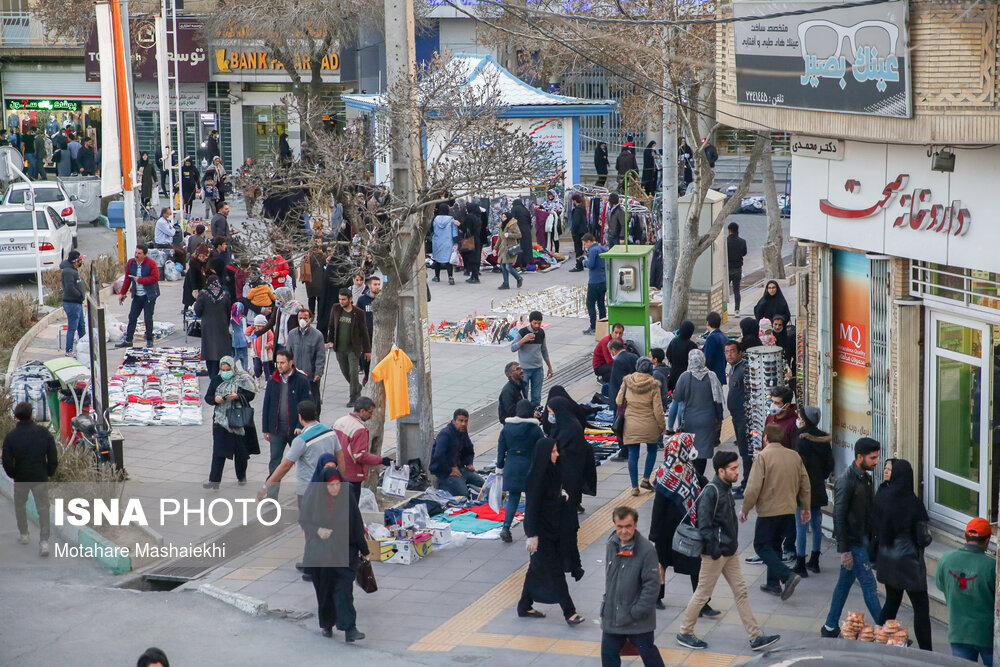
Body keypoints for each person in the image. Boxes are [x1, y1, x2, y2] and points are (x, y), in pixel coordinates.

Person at [676, 451, 780, 653]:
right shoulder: (712, 491)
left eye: (736, 467)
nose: (737, 472)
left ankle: (756, 636)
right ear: (720, 470)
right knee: (702, 594)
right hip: (716, 553)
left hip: (729, 552)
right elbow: (704, 525)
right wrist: (715, 550)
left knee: (740, 592)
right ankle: (685, 632)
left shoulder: (725, 489)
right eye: (732, 468)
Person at [647, 433, 719, 616]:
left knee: (696, 565)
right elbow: (658, 507)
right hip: (666, 530)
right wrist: (654, 534)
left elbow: (703, 485)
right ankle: (656, 597)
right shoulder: (664, 474)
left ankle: (703, 603)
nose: (693, 449)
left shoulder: (688, 469)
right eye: (689, 445)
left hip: (687, 527)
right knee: (662, 564)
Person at [518, 437, 585, 625]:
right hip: (542, 533)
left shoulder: (551, 471)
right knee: (555, 571)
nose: (557, 454)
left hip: (554, 529)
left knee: (535, 569)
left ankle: (524, 605)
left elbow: (551, 498)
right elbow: (532, 508)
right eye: (553, 451)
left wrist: (560, 497)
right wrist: (532, 535)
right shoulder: (535, 478)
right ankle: (569, 612)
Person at [738, 423, 810, 600]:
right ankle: (773, 583)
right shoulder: (794, 456)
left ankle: (787, 576)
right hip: (788, 510)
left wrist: (745, 508)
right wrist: (805, 507)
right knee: (776, 544)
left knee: (761, 546)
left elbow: (753, 488)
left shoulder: (763, 457)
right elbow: (805, 484)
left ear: (765, 438)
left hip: (769, 510)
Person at [820, 437, 882, 637]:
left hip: (862, 539)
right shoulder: (846, 481)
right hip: (854, 542)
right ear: (859, 457)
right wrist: (844, 550)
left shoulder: (864, 477)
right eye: (872, 458)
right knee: (870, 587)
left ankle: (830, 626)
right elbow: (838, 517)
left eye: (877, 458)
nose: (876, 462)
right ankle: (886, 632)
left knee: (844, 584)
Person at [299, 466, 368, 642]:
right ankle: (327, 624)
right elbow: (304, 521)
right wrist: (317, 530)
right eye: (331, 485)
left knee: (344, 590)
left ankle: (350, 628)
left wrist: (365, 550)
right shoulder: (314, 498)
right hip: (321, 554)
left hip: (344, 552)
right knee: (325, 591)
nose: (335, 488)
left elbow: (356, 524)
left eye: (337, 484)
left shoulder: (347, 497)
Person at [873, 458, 932, 651]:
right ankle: (926, 652)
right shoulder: (913, 503)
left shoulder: (881, 496)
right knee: (921, 607)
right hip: (909, 563)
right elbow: (924, 538)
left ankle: (878, 640)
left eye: (890, 469)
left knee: (892, 602)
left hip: (887, 558)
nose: (886, 471)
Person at [600, 506, 663, 666]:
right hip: (613, 620)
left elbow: (652, 585)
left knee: (647, 652)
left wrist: (636, 612)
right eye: (619, 527)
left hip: (638, 624)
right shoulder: (611, 544)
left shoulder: (646, 550)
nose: (623, 531)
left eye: (628, 526)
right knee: (608, 654)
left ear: (635, 525)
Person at [936, 517, 996, 665]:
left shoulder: (946, 559)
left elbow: (941, 585)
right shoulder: (992, 566)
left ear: (965, 536)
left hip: (959, 633)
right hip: (987, 636)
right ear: (987, 541)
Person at [547, 395, 596, 573]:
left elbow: (567, 452)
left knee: (568, 513)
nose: (550, 416)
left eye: (551, 412)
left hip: (570, 477)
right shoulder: (565, 425)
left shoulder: (570, 428)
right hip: (568, 476)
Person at [2, 402, 58, 556]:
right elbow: (53, 456)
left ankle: (24, 534)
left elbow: (6, 461)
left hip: (21, 478)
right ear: (32, 414)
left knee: (20, 505)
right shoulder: (43, 433)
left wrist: (13, 474)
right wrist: (49, 472)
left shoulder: (11, 437)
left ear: (16, 417)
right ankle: (44, 541)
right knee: (43, 509)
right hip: (40, 477)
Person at [259, 400, 342, 503]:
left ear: (300, 417)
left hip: (308, 490)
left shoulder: (302, 440)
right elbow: (340, 457)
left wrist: (265, 487)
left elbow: (285, 466)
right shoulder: (330, 432)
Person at [260, 349, 313, 499]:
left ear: (291, 363)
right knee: (275, 463)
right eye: (277, 362)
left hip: (295, 431)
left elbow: (307, 404)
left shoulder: (301, 381)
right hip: (276, 429)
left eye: (282, 363)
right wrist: (266, 428)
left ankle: (307, 494)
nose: (279, 366)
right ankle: (271, 497)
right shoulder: (273, 380)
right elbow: (267, 404)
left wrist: (300, 425)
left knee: (301, 463)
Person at [203, 356, 259, 489]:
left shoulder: (242, 379)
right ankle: (214, 480)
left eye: (228, 369)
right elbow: (208, 397)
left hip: (238, 419)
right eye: (223, 370)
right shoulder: (217, 380)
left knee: (240, 451)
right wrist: (216, 399)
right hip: (221, 420)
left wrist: (238, 396)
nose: (226, 372)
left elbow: (251, 394)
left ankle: (241, 476)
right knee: (218, 451)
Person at [792, 406, 833, 575]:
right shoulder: (823, 438)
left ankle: (800, 562)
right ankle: (814, 560)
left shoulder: (800, 437)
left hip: (802, 487)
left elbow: (796, 463)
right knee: (816, 523)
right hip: (817, 485)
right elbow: (829, 464)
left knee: (801, 525)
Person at [616, 358, 666, 496]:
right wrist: (662, 425)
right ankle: (645, 479)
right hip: (649, 424)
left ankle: (634, 487)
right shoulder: (654, 385)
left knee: (633, 453)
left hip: (631, 423)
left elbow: (619, 400)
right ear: (650, 369)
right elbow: (658, 409)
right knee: (651, 450)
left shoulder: (627, 381)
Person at [496, 399, 543, 542]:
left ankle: (506, 527)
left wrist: (499, 467)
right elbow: (542, 448)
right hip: (529, 465)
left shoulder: (506, 429)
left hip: (511, 465)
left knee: (513, 498)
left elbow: (501, 450)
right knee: (531, 499)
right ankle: (530, 530)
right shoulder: (535, 429)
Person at [672, 349, 723, 476]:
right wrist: (719, 419)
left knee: (689, 452)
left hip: (689, 421)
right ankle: (699, 477)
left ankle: (691, 479)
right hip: (707, 421)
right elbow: (718, 401)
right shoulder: (711, 376)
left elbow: (677, 397)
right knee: (702, 453)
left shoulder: (684, 377)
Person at [333, 397, 391, 499]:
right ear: (362, 411)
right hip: (352, 474)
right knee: (351, 508)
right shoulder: (360, 429)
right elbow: (360, 455)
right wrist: (381, 460)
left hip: (337, 471)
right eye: (370, 412)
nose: (371, 415)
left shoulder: (339, 421)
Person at [325, 288, 370, 408]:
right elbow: (331, 325)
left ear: (350, 299)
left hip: (353, 349)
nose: (341, 301)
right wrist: (329, 340)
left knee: (353, 372)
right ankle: (357, 387)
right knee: (345, 372)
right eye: (340, 299)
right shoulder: (335, 308)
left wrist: (367, 350)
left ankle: (353, 397)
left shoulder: (358, 313)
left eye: (344, 299)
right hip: (340, 347)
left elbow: (364, 332)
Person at [429, 409, 483, 497]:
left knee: (484, 485)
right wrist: (450, 469)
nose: (463, 424)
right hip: (446, 473)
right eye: (461, 421)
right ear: (454, 421)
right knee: (463, 495)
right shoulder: (445, 434)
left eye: (466, 421)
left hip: (460, 469)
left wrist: (469, 463)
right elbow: (438, 456)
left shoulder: (463, 432)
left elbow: (469, 448)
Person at [116, 244, 160, 349]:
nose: (136, 255)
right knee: (132, 317)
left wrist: (140, 280)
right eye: (136, 253)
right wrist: (122, 293)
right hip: (137, 295)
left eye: (139, 253)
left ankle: (149, 339)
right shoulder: (131, 263)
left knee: (148, 318)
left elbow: (155, 278)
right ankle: (128, 340)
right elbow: (127, 279)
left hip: (149, 295)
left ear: (145, 254)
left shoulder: (151, 264)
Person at [725, 341, 752, 499]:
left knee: (746, 452)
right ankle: (745, 482)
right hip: (736, 418)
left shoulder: (744, 370)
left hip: (744, 418)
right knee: (743, 452)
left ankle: (747, 485)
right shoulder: (733, 368)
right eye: (727, 352)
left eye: (732, 351)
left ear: (740, 352)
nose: (729, 355)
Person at [194, 266, 233, 377]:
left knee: (209, 350)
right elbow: (228, 311)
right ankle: (222, 372)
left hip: (208, 326)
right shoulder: (225, 294)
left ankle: (212, 373)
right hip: (222, 326)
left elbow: (198, 311)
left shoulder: (203, 294)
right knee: (221, 351)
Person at [285, 307, 326, 411]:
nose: (302, 320)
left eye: (305, 318)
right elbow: (288, 354)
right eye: (300, 318)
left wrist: (318, 373)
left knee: (313, 401)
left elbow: (320, 356)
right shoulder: (292, 334)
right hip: (295, 374)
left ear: (310, 319)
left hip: (310, 375)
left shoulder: (317, 335)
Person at [510, 311, 554, 406]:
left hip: (538, 369)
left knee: (536, 397)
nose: (537, 325)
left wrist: (549, 367)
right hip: (524, 370)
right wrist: (523, 340)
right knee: (523, 397)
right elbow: (513, 348)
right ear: (530, 322)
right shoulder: (522, 332)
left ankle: (536, 415)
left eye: (539, 323)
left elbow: (544, 350)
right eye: (535, 323)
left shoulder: (541, 333)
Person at [665, 321, 697, 432]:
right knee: (682, 403)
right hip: (686, 375)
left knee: (675, 401)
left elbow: (668, 355)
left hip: (674, 374)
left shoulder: (674, 342)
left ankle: (669, 427)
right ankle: (680, 426)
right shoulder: (691, 345)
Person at [60, 250, 86, 357]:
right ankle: (69, 351)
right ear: (75, 261)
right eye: (79, 260)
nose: (80, 262)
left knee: (81, 326)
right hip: (72, 304)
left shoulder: (72, 270)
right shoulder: (68, 272)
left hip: (77, 303)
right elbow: (70, 287)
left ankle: (84, 347)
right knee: (72, 327)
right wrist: (79, 295)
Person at [355, 275, 380, 384]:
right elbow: (358, 316)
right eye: (375, 284)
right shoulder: (362, 300)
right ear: (369, 286)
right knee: (366, 356)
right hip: (366, 333)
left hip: (379, 333)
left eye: (379, 284)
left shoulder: (383, 298)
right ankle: (366, 375)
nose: (377, 287)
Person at [582, 233, 608, 335]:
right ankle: (603, 323)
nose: (585, 246)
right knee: (601, 303)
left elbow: (591, 264)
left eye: (585, 244)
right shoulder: (603, 248)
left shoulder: (593, 250)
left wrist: (584, 262)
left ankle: (593, 326)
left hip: (594, 281)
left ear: (589, 241)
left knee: (590, 303)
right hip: (603, 280)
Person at [429, 201, 459, 284]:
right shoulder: (451, 220)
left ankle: (437, 276)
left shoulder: (435, 219)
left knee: (437, 259)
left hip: (437, 242)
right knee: (448, 260)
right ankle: (450, 277)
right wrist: (456, 243)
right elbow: (454, 232)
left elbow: (431, 230)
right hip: (448, 242)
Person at [495, 210, 523, 289]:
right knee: (503, 266)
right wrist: (495, 248)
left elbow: (519, 235)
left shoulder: (513, 224)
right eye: (502, 216)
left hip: (511, 247)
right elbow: (499, 239)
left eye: (504, 217)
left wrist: (509, 235)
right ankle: (506, 283)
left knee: (508, 267)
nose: (503, 218)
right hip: (503, 248)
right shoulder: (501, 226)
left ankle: (519, 278)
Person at [247, 313, 275, 385]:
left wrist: (269, 345)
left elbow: (272, 340)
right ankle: (257, 379)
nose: (257, 327)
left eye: (259, 326)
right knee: (256, 367)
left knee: (266, 369)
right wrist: (252, 326)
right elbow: (247, 333)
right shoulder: (254, 331)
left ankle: (267, 381)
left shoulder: (268, 332)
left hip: (265, 353)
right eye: (256, 325)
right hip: (256, 353)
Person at [459, 201, 483, 283]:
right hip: (476, 239)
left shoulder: (469, 217)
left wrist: (459, 225)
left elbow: (467, 228)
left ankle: (474, 277)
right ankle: (474, 276)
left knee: (470, 257)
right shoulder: (478, 217)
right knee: (476, 258)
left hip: (469, 239)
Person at [702, 312, 728, 385]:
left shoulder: (711, 338)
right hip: (721, 373)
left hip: (712, 376)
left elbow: (708, 357)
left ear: (708, 323)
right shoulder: (724, 337)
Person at [568, 193, 589, 273]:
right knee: (581, 249)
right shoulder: (583, 208)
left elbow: (576, 222)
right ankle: (581, 264)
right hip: (583, 230)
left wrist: (573, 231)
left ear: (574, 201)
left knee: (578, 249)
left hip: (577, 232)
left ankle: (579, 265)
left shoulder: (577, 210)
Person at [511, 198, 533, 269]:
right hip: (527, 230)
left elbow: (512, 220)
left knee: (517, 245)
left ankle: (517, 263)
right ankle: (526, 263)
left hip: (518, 229)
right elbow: (530, 220)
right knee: (526, 246)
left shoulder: (514, 209)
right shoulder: (525, 209)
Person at [230, 302, 249, 372]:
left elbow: (230, 330)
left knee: (237, 355)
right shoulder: (243, 318)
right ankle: (245, 369)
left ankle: (230, 366)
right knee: (245, 355)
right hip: (243, 338)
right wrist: (248, 340)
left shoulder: (232, 319)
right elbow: (245, 330)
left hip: (235, 338)